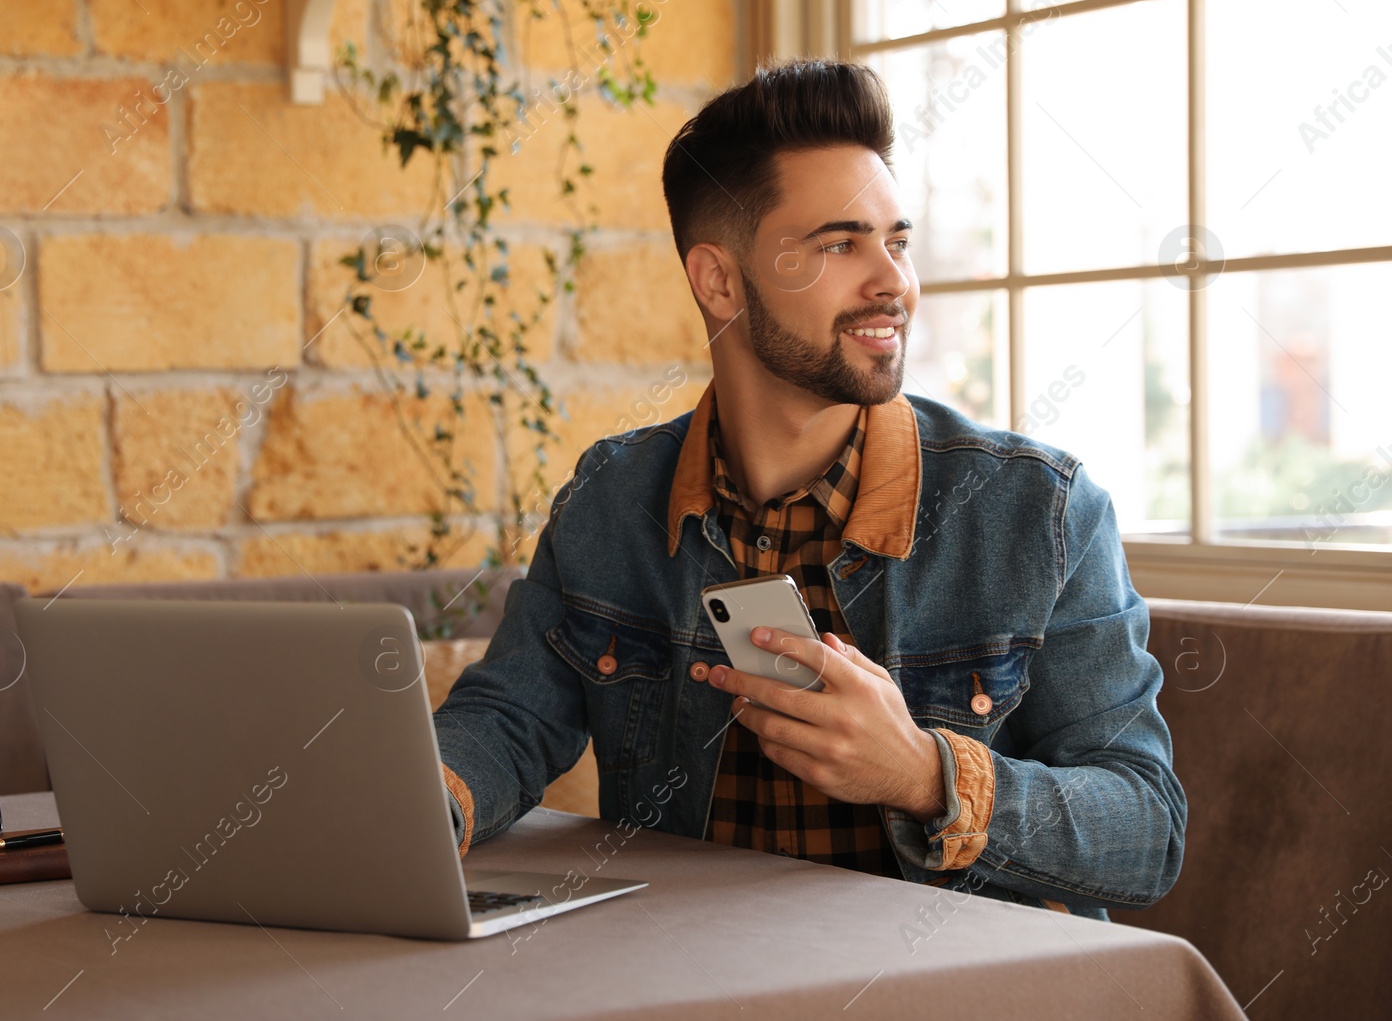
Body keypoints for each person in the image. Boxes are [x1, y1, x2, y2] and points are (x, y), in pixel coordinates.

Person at [432, 58, 1185, 919]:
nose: (892, 280)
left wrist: (920, 773)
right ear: (719, 279)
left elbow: (1148, 829)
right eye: (840, 243)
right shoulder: (610, 497)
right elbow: (510, 719)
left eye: (896, 240)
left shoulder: (1041, 514)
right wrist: (421, 802)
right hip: (689, 984)